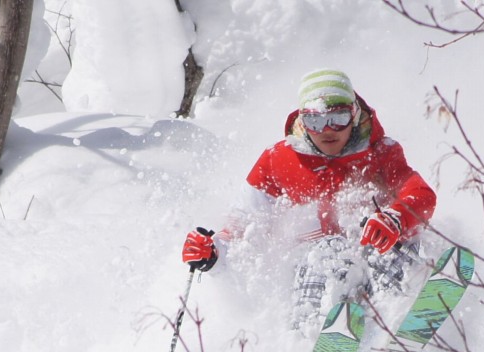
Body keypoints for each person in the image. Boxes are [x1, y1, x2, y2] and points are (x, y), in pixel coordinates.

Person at [182, 69, 436, 331]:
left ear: (355, 114)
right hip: (312, 268)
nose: (327, 130)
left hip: (371, 257)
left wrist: (396, 218)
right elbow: (244, 224)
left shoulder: (381, 152)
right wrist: (214, 250)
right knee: (327, 252)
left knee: (387, 246)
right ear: (302, 121)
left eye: (338, 118)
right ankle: (309, 341)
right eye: (315, 121)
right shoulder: (278, 160)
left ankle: (397, 321)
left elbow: (420, 194)